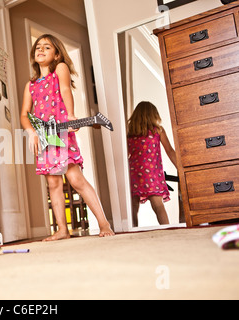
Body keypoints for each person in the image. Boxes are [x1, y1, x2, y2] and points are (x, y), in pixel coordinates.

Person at [20, 34, 114, 241]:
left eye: (47, 47)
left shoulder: (60, 68)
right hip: (45, 137)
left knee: (75, 178)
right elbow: (24, 113)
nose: (40, 49)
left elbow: (64, 90)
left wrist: (70, 115)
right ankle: (62, 230)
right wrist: (31, 132)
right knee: (53, 183)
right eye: (38, 47)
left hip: (61, 132)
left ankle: (103, 222)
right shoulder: (31, 85)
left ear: (56, 54)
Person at [127, 101, 177, 227]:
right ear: (154, 115)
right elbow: (170, 151)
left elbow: (126, 154)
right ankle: (167, 229)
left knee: (133, 206)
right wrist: (180, 168)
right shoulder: (158, 131)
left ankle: (133, 232)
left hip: (134, 173)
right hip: (152, 175)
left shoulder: (130, 133)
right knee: (158, 205)